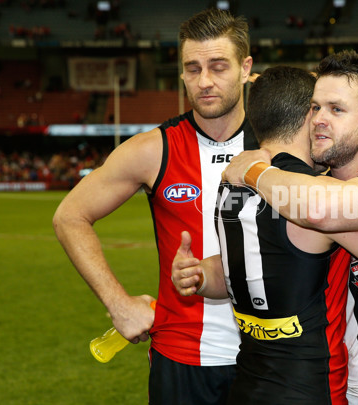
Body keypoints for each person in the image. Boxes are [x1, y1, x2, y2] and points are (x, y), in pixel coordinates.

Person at [172, 65, 358, 404]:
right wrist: (206, 272)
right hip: (345, 385)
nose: (318, 119)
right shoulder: (317, 187)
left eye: (336, 109)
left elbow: (321, 212)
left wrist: (255, 170)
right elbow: (281, 264)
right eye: (314, 107)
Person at [53, 8, 257, 405]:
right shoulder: (154, 149)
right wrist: (118, 304)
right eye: (193, 68)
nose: (205, 81)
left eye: (218, 66)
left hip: (271, 358)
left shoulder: (283, 144)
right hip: (182, 360)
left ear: (246, 67)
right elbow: (69, 216)